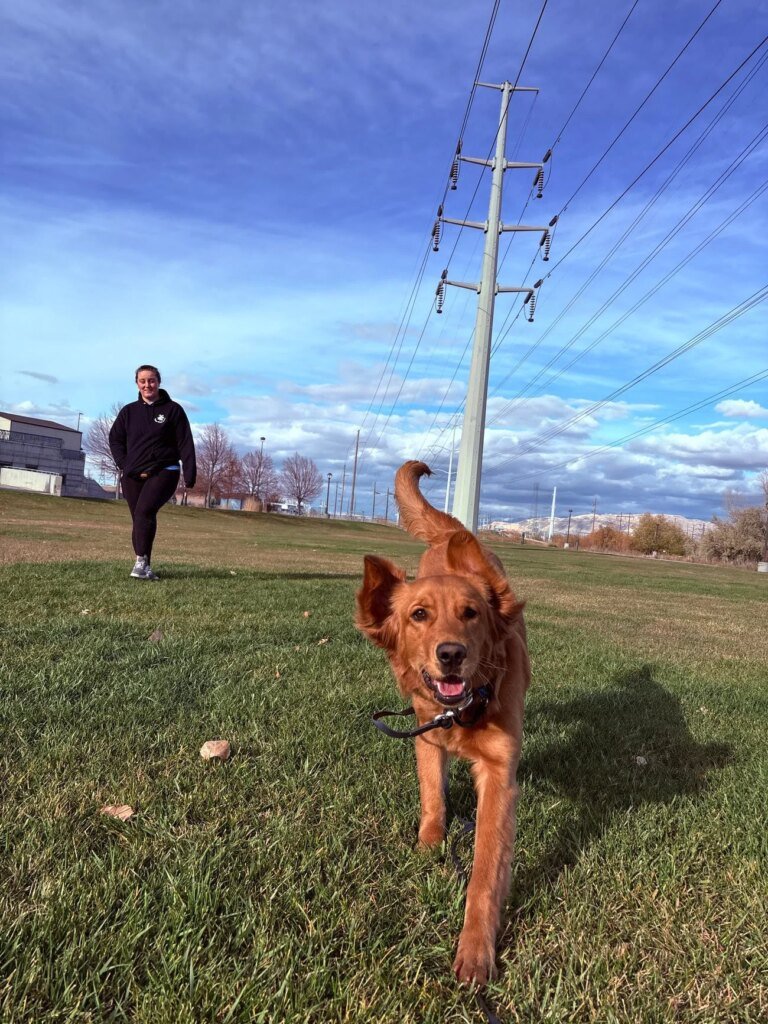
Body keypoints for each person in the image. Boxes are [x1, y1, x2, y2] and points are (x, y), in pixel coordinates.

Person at [109, 364, 196, 580]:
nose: (147, 385)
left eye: (151, 380)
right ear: (137, 384)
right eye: (143, 381)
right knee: (141, 518)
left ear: (158, 381)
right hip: (133, 474)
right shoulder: (129, 411)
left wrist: (190, 472)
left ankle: (139, 563)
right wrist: (123, 463)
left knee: (144, 512)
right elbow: (115, 438)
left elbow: (185, 442)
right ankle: (145, 565)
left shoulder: (173, 410)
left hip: (164, 470)